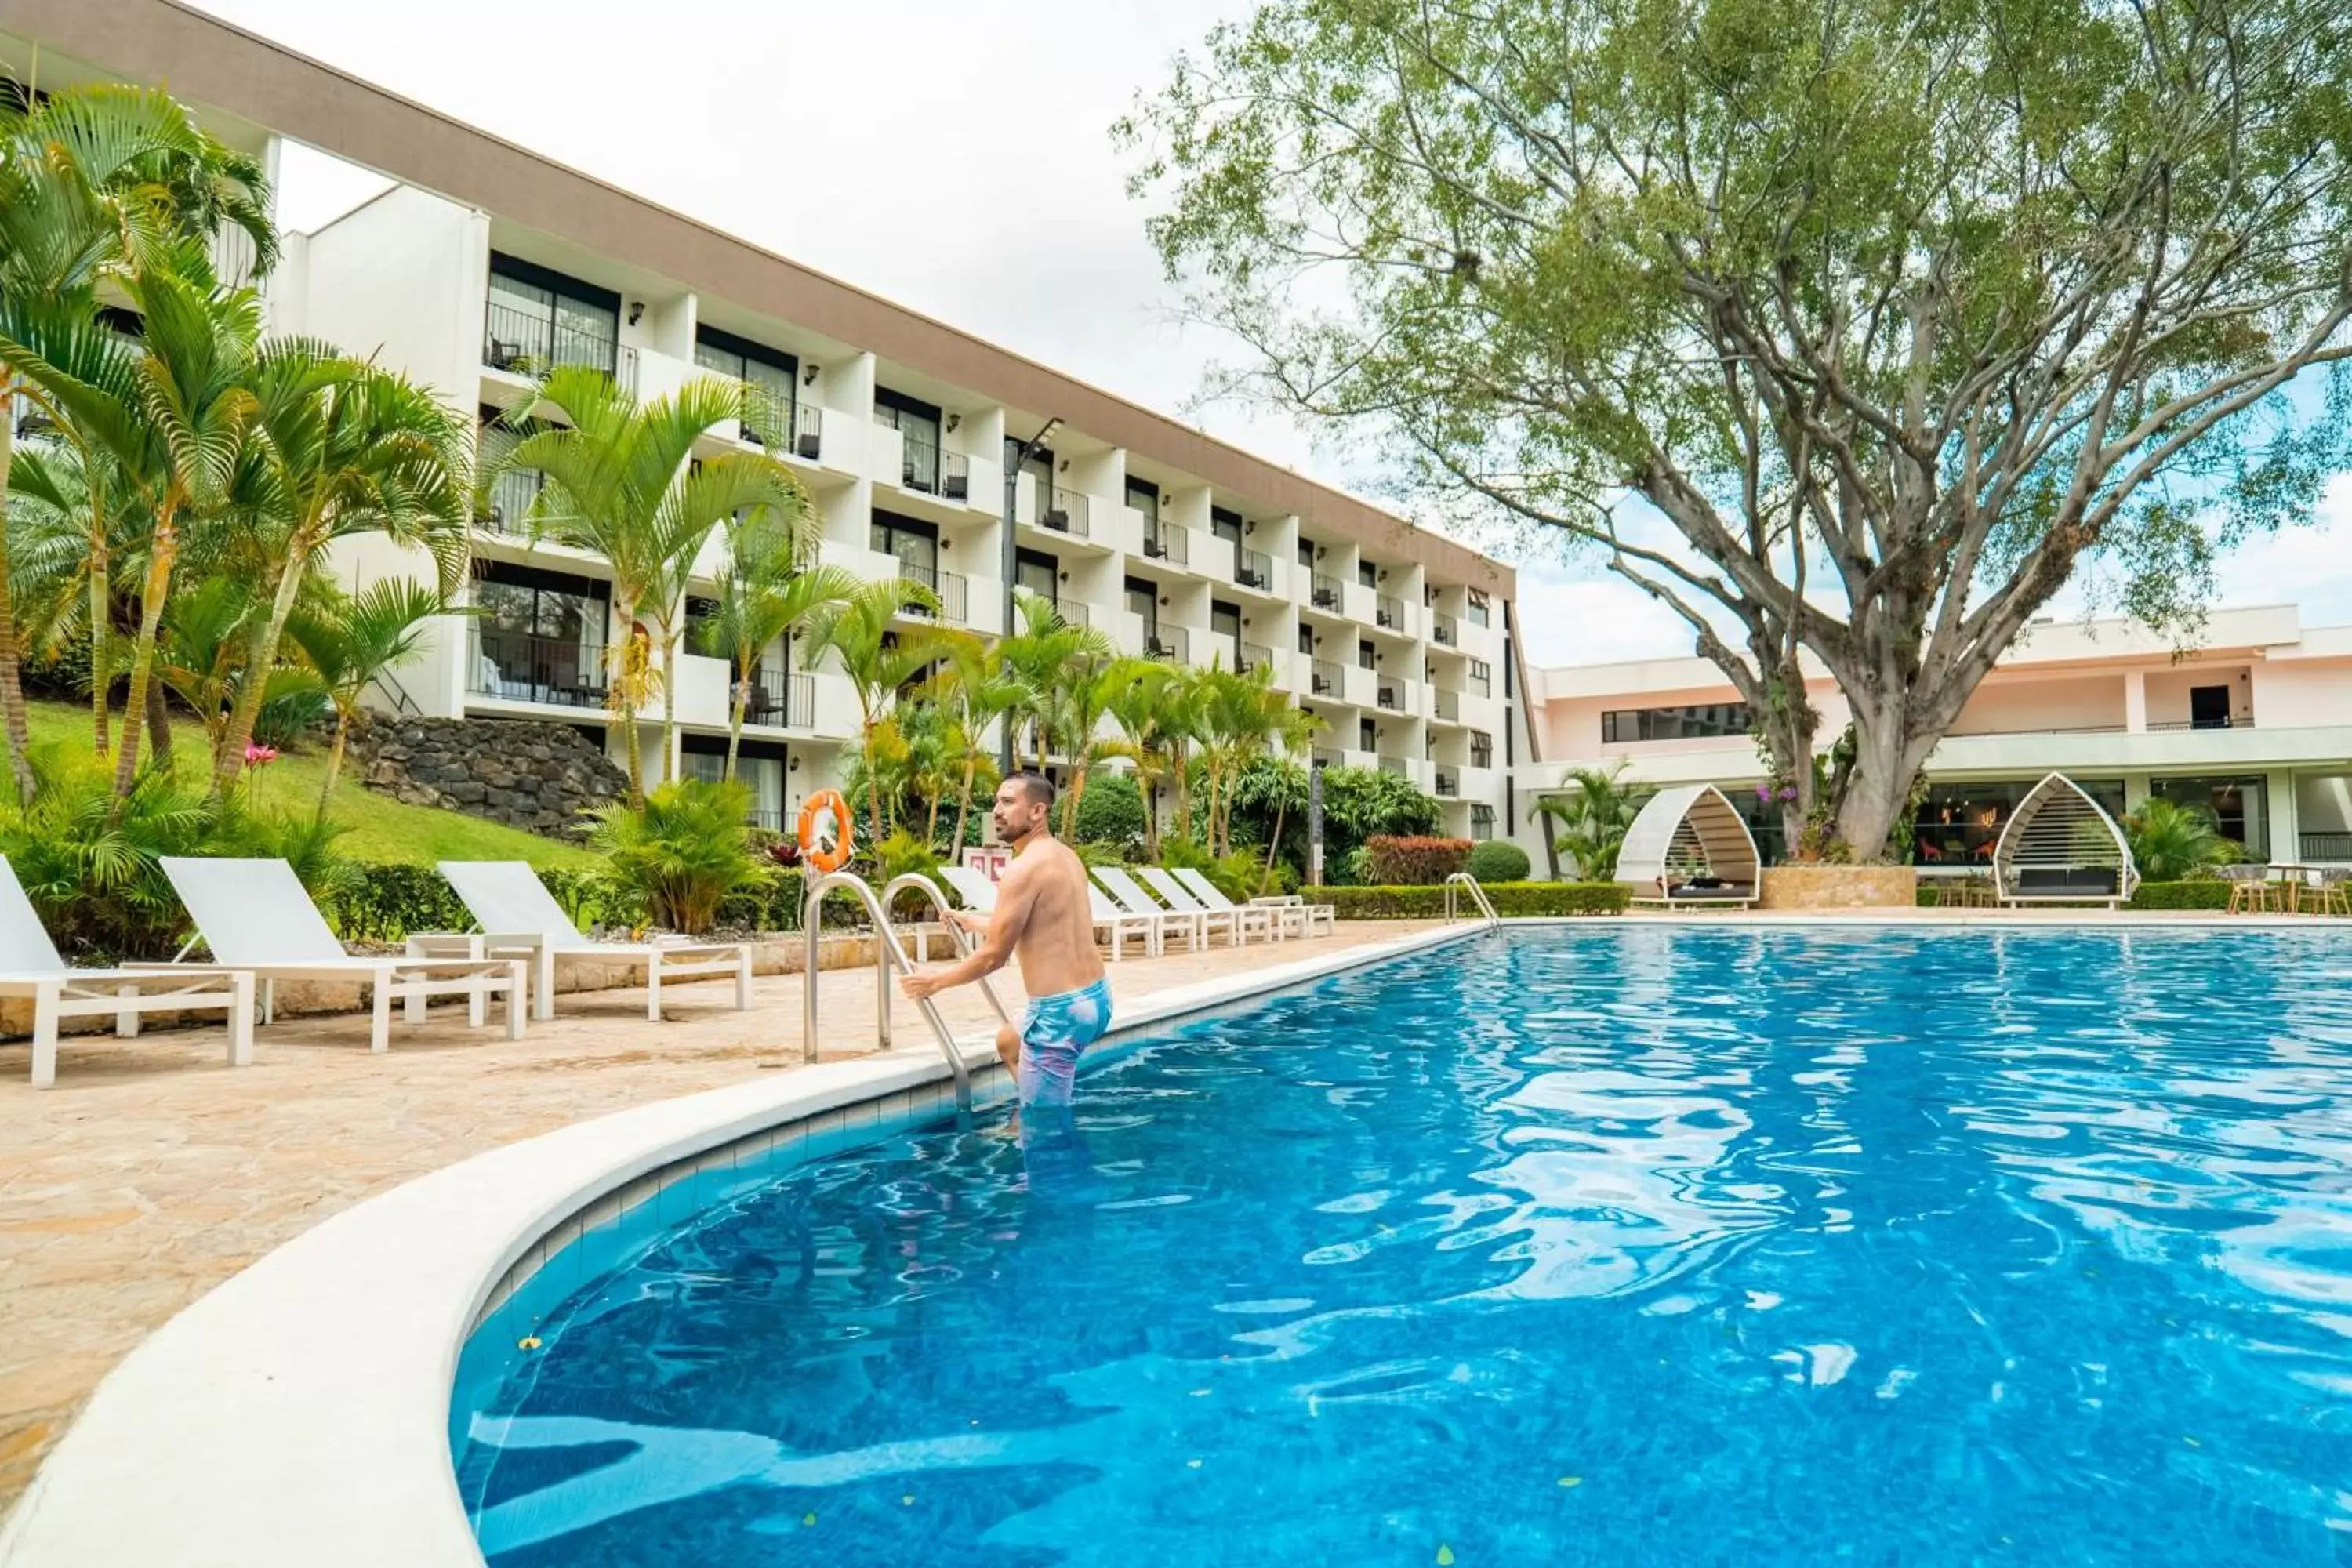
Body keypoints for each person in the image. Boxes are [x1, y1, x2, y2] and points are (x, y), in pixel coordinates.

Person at [899, 772, 1112, 1109]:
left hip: (1059, 1014)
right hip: (1096, 998)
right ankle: (1028, 1110)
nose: (997, 810)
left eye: (1009, 802)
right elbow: (1041, 926)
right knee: (1010, 1042)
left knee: (1045, 1129)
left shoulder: (1023, 869)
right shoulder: (1064, 856)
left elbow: (993, 957)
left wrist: (934, 981)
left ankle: (1036, 1123)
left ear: (1037, 812)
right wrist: (972, 921)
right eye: (997, 802)